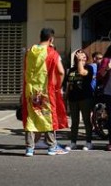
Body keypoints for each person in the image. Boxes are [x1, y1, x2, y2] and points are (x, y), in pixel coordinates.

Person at [22, 28, 69, 157]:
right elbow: (61, 72)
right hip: (46, 90)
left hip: (30, 90)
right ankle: (52, 146)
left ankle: (29, 149)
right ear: (51, 39)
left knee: (31, 117)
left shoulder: (29, 51)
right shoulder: (52, 53)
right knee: (48, 116)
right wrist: (58, 86)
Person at [66, 49, 94, 151]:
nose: (82, 59)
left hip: (85, 98)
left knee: (86, 120)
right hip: (73, 98)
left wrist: (80, 62)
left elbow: (82, 72)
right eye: (79, 57)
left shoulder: (89, 68)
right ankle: (73, 142)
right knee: (74, 121)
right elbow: (69, 84)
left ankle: (88, 142)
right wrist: (66, 98)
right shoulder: (71, 70)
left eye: (84, 57)